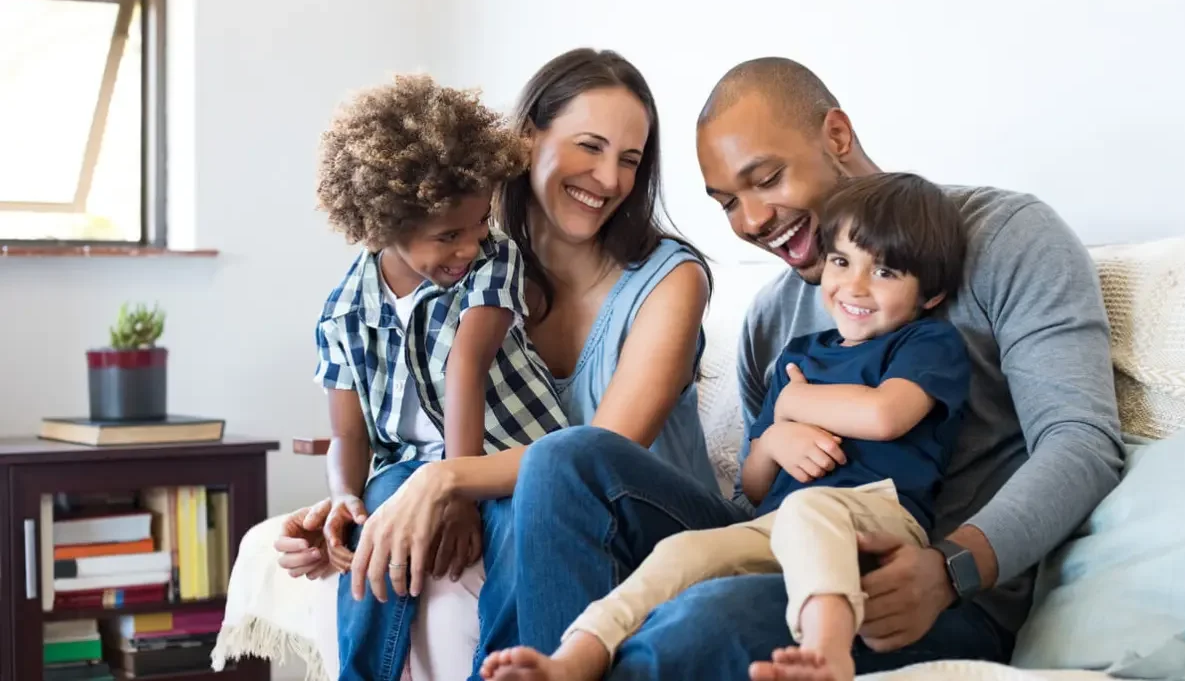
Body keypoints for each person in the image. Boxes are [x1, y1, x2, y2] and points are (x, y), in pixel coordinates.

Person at [500, 57, 1125, 680]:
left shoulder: (1006, 238)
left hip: (923, 589)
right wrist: (776, 438)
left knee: (700, 621)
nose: (751, 222)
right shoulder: (772, 317)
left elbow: (1081, 442)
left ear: (836, 137)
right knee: (566, 460)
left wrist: (951, 568)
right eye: (727, 204)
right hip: (788, 547)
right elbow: (756, 490)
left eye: (766, 178)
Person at [273, 48, 722, 680]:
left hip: (653, 521)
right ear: (526, 138)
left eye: (629, 159)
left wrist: (447, 479)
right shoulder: (469, 266)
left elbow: (600, 453)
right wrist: (349, 506)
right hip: (530, 499)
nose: (611, 179)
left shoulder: (669, 280)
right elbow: (395, 416)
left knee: (554, 469)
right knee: (404, 500)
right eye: (590, 146)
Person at [481, 172, 971, 681]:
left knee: (811, 507)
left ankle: (828, 652)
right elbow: (756, 485)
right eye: (842, 261)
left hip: (879, 520)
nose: (855, 286)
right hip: (776, 526)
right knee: (682, 552)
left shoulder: (925, 344)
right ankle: (575, 657)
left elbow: (885, 415)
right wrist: (777, 436)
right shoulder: (800, 355)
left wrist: (795, 403)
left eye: (885, 272)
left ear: (930, 294)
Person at [290, 73, 573, 680]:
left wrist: (461, 493)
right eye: (448, 235)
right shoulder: (344, 312)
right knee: (378, 524)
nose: (469, 247)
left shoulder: (493, 260)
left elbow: (464, 367)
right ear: (381, 225)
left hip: (508, 458)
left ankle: (502, 672)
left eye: (477, 226)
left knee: (528, 531)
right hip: (409, 468)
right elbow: (348, 436)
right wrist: (345, 496)